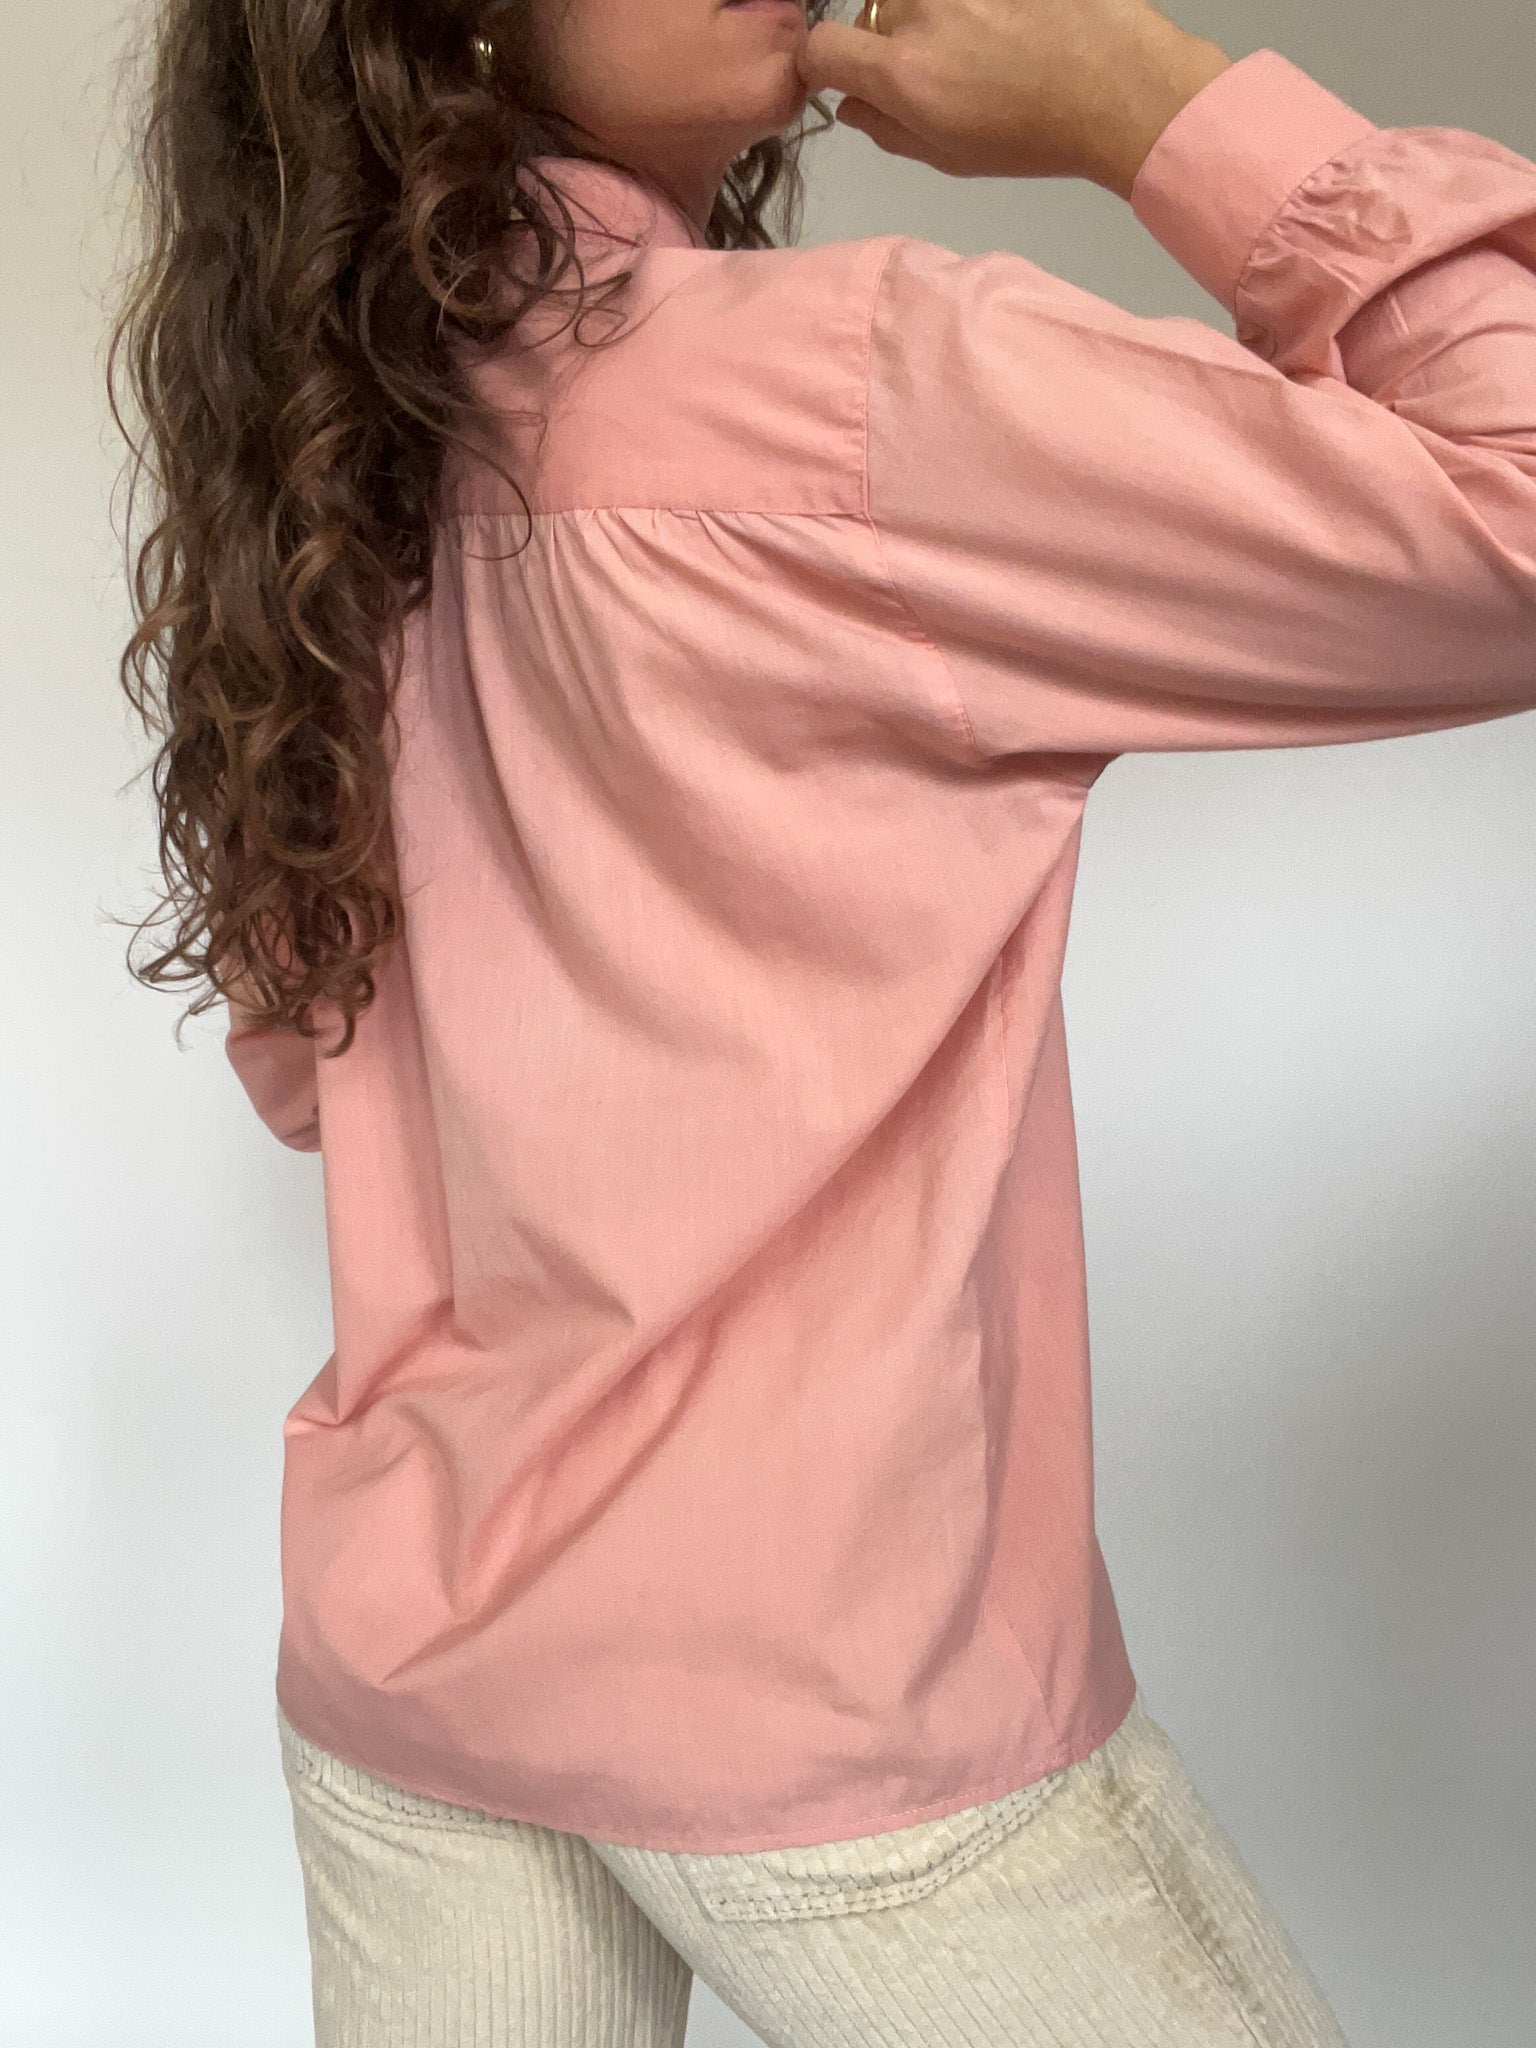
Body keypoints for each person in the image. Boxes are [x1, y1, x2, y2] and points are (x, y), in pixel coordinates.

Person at [109, 0, 1536, 2040]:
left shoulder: (328, 451)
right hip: (829, 1696)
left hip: (417, 1663)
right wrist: (1154, 103)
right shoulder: (852, 390)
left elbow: (298, 1053)